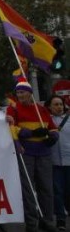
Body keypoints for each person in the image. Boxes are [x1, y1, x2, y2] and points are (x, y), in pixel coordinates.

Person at [6, 79, 59, 232]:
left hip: (44, 153)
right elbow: (11, 128)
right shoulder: (13, 109)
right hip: (26, 152)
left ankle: (48, 220)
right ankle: (32, 223)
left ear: (30, 93)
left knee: (46, 188)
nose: (19, 95)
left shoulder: (41, 110)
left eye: (22, 92)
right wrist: (31, 133)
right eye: (18, 92)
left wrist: (51, 139)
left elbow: (54, 129)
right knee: (28, 190)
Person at [46, 95, 70, 231]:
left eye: (60, 104)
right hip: (54, 162)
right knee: (58, 192)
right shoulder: (46, 121)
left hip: (69, 161)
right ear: (49, 106)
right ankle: (61, 219)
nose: (59, 107)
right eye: (55, 104)